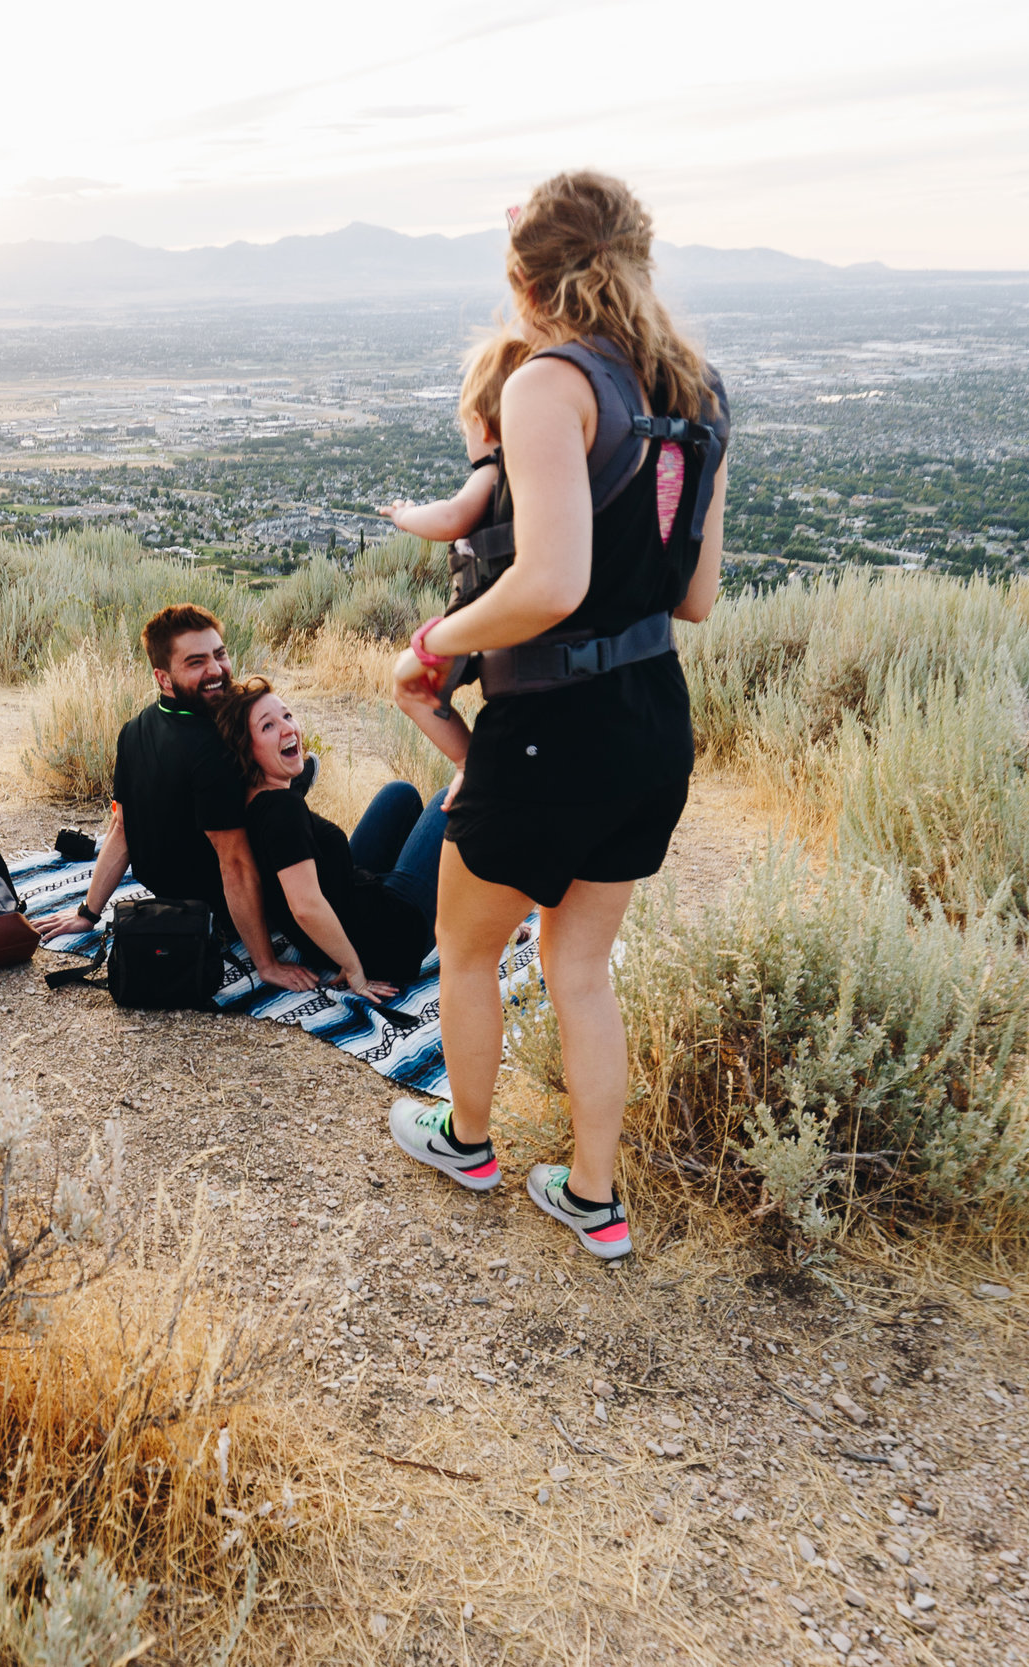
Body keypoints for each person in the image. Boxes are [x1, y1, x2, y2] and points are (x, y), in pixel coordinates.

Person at [385, 170, 730, 1259]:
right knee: (579, 967)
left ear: (524, 277)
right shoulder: (696, 391)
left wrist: (434, 645)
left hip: (551, 725)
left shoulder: (549, 384)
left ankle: (469, 1138)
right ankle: (593, 1197)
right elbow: (696, 597)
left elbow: (548, 583)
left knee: (467, 947)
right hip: (651, 714)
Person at [33, 604, 319, 991]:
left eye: (220, 654)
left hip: (166, 884)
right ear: (163, 678)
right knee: (279, 801)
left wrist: (88, 912)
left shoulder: (134, 729)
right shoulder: (211, 749)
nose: (216, 670)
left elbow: (122, 828)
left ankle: (285, 786)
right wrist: (265, 964)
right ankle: (286, 789)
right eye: (196, 662)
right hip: (217, 900)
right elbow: (233, 863)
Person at [209, 677, 442, 1000]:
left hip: (350, 902)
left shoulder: (246, 804)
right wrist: (355, 970)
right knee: (454, 799)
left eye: (287, 716)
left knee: (399, 794)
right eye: (268, 727)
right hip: (392, 940)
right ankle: (478, 909)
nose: (288, 729)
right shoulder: (283, 811)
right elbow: (304, 906)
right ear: (246, 749)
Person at [378, 331, 531, 543]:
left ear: (480, 425)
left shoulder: (493, 471)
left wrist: (404, 516)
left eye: (465, 428)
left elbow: (450, 519)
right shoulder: (533, 465)